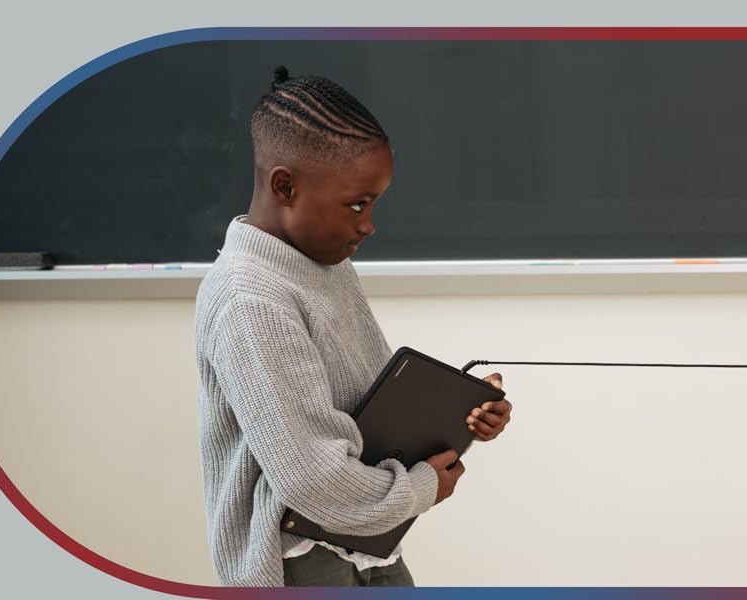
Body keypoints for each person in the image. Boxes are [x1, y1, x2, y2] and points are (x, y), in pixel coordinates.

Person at [194, 66, 513, 587]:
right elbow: (311, 479)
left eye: (375, 203)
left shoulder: (322, 262)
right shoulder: (249, 299)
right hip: (299, 561)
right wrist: (420, 488)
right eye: (356, 205)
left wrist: (459, 410)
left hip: (367, 546)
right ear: (285, 186)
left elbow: (367, 405)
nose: (368, 224)